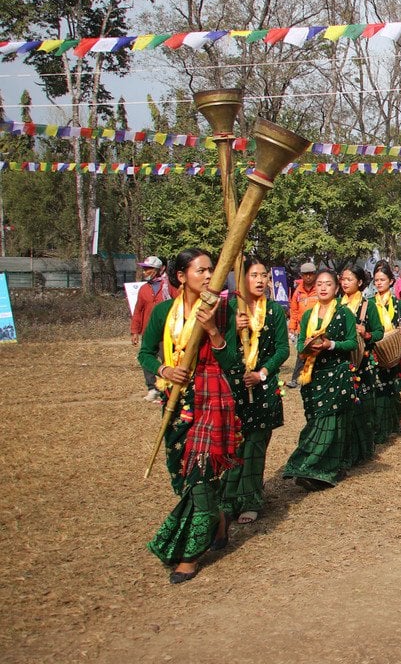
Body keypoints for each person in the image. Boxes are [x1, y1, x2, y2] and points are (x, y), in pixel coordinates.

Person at [137, 248, 240, 584]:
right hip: (177, 402)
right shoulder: (163, 311)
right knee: (181, 477)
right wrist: (165, 369)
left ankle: (190, 555)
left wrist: (212, 331)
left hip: (212, 399)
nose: (209, 276)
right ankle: (220, 518)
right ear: (181, 276)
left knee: (199, 476)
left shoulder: (222, 309)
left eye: (212, 270)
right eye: (201, 271)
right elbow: (146, 353)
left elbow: (232, 362)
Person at [220, 255, 289, 525]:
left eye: (264, 276)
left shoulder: (273, 310)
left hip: (262, 389)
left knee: (255, 446)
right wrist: (231, 330)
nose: (260, 280)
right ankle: (227, 499)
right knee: (233, 446)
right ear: (241, 278)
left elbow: (283, 349)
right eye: (254, 275)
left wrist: (261, 374)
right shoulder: (229, 310)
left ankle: (250, 499)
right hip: (233, 387)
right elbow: (216, 346)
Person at [283, 269, 358, 490]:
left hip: (337, 373)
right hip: (312, 375)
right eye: (319, 284)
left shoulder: (344, 314)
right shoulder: (308, 315)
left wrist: (330, 345)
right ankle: (313, 466)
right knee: (315, 420)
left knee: (332, 422)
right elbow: (298, 346)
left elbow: (351, 343)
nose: (323, 288)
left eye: (328, 284)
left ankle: (318, 467)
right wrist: (307, 347)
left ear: (336, 289)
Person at [339, 265, 382, 464]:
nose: (345, 283)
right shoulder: (336, 305)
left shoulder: (367, 306)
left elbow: (379, 332)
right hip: (340, 363)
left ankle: (363, 450)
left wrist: (366, 334)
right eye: (343, 279)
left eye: (349, 279)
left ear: (360, 282)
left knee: (362, 407)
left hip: (362, 363)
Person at [131, 255, 175, 402]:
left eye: (148, 268)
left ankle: (167, 388)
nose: (145, 272)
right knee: (146, 358)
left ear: (158, 269)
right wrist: (134, 331)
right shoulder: (144, 289)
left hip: (166, 332)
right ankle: (152, 388)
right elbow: (138, 311)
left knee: (167, 359)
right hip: (148, 330)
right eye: (144, 269)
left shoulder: (169, 287)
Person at [371, 261, 401, 438]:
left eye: (382, 280)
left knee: (392, 387)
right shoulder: (369, 303)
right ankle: (379, 426)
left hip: (393, 351)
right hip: (375, 349)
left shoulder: (398, 304)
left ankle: (396, 420)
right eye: (376, 280)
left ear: (391, 281)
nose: (379, 283)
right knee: (377, 387)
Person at [286, 262, 320, 388]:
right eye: (306, 274)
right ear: (302, 275)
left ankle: (313, 378)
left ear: (315, 275)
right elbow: (294, 310)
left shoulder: (319, 289)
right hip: (302, 328)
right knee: (301, 354)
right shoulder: (298, 292)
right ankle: (296, 379)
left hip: (317, 328)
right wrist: (292, 327)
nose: (309, 277)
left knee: (316, 354)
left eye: (311, 274)